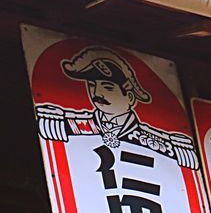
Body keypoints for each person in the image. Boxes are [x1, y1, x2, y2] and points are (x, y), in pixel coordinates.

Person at [34, 47, 200, 169]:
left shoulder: (165, 144)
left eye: (107, 87)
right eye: (92, 85)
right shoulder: (67, 124)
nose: (96, 93)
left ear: (129, 97)